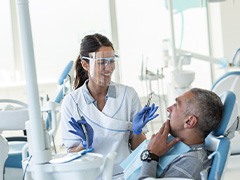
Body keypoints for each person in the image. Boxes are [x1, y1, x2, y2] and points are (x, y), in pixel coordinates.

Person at [60, 33, 159, 177]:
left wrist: (137, 132)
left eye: (111, 61)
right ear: (85, 64)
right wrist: (84, 144)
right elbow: (71, 157)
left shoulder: (128, 95)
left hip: (125, 175)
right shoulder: (71, 102)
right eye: (101, 62)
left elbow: (138, 148)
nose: (108, 68)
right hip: (91, 176)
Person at [138, 88, 223, 180]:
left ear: (189, 121)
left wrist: (151, 155)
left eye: (176, 105)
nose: (168, 109)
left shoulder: (191, 162)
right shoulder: (176, 146)